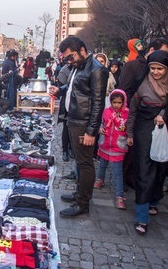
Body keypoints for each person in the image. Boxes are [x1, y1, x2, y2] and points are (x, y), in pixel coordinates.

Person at [126, 50, 168, 235]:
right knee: (144, 171)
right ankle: (142, 216)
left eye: (159, 69)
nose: (155, 72)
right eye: (152, 68)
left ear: (167, 69)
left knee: (161, 168)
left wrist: (164, 115)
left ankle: (154, 200)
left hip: (166, 130)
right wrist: (129, 132)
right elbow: (133, 111)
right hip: (143, 131)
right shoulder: (142, 84)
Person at [49, 36, 108, 217]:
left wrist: (91, 130)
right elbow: (75, 86)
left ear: (82, 50)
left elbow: (98, 102)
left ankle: (83, 204)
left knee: (85, 163)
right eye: (66, 58)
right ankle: (78, 194)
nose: (69, 61)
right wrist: (60, 89)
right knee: (80, 162)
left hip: (83, 123)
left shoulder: (97, 70)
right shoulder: (78, 66)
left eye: (71, 57)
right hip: (74, 119)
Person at [119, 38, 168, 191]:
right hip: (138, 118)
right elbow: (124, 91)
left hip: (161, 124)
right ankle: (131, 181)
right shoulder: (133, 65)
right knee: (135, 154)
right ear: (152, 50)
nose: (155, 71)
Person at [94, 89, 130, 209]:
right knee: (102, 164)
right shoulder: (106, 112)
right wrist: (100, 129)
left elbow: (129, 127)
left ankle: (119, 196)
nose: (116, 105)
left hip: (118, 146)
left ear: (123, 102)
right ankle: (100, 179)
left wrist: (130, 137)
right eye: (114, 102)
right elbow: (101, 123)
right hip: (105, 144)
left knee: (117, 172)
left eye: (119, 103)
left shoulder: (126, 114)